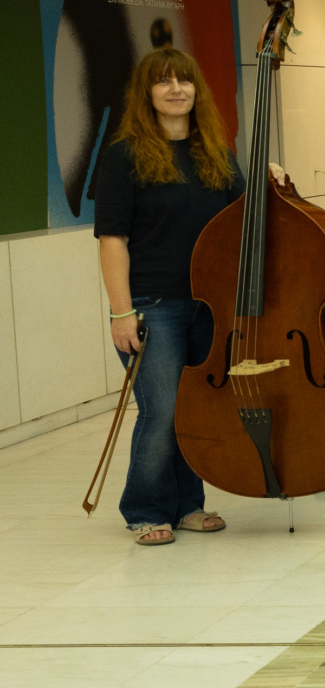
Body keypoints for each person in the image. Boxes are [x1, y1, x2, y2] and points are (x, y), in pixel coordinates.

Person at [94, 47, 249, 546]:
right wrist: (121, 312)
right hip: (153, 306)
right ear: (147, 93)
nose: (176, 89)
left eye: (184, 80)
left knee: (195, 408)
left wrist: (272, 183)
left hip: (210, 307)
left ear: (196, 90)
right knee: (161, 410)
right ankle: (144, 506)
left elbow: (245, 220)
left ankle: (188, 505)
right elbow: (112, 240)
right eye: (163, 81)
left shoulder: (217, 155)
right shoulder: (123, 157)